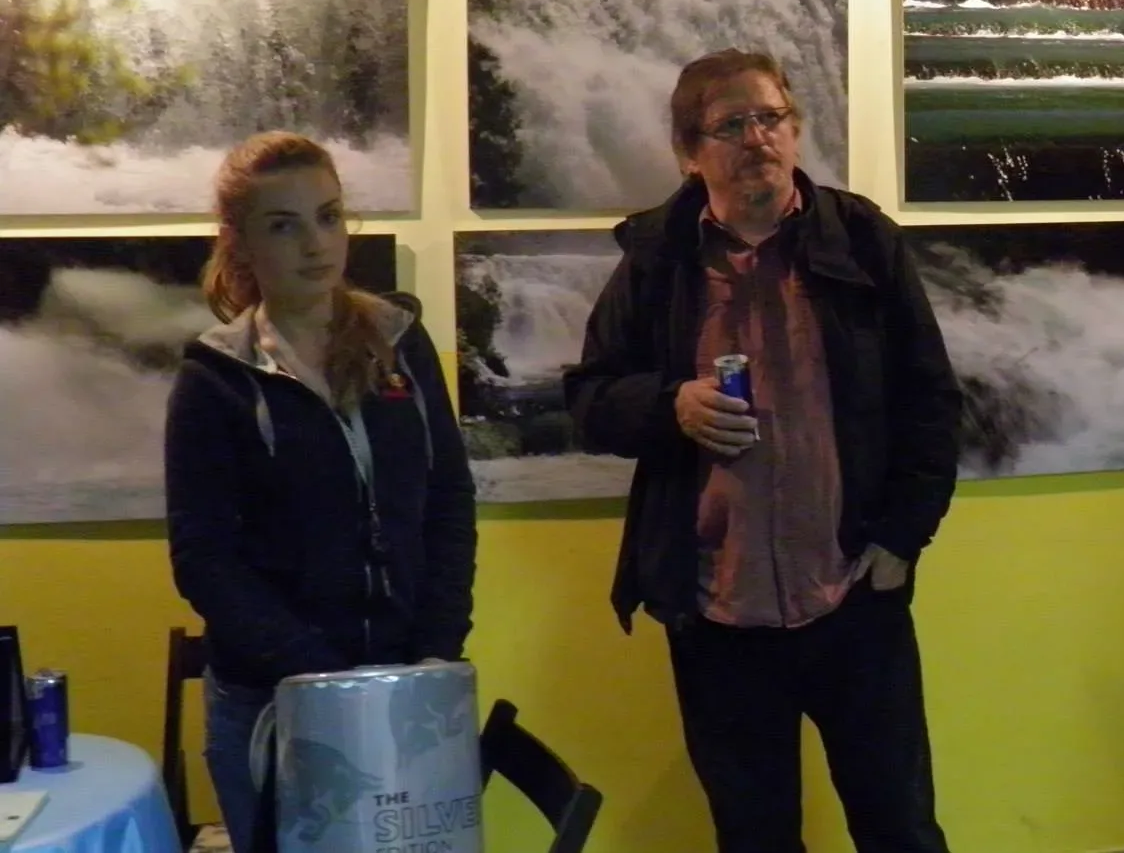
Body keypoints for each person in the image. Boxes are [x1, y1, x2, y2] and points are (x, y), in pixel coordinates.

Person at [563, 48, 963, 853]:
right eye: (731, 125)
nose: (757, 139)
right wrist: (669, 404)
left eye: (771, 118)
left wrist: (900, 538)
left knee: (901, 830)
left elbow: (931, 399)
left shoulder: (862, 240)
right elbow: (589, 400)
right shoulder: (657, 258)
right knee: (755, 838)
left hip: (853, 595)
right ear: (690, 151)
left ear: (795, 128)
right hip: (718, 613)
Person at [164, 132, 477, 853]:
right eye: (284, 225)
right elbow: (203, 559)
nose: (316, 243)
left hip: (407, 689)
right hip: (274, 701)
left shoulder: (400, 343)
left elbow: (448, 503)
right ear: (240, 243)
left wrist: (434, 652)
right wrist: (325, 679)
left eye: (329, 217)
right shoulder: (215, 378)